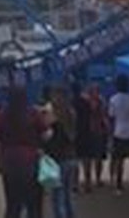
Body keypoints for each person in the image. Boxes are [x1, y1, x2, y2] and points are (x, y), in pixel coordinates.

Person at [0, 86, 47, 218]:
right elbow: (46, 134)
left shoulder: (3, 116)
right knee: (33, 204)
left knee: (12, 204)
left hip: (10, 162)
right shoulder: (33, 113)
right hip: (31, 161)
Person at [44, 86, 78, 218]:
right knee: (68, 196)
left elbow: (47, 137)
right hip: (71, 157)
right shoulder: (71, 113)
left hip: (57, 159)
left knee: (57, 198)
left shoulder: (53, 116)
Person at [78, 82, 108, 191]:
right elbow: (104, 116)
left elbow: (104, 116)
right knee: (92, 157)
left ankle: (93, 180)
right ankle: (90, 181)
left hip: (93, 132)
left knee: (93, 158)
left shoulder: (96, 101)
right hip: (93, 132)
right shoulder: (97, 101)